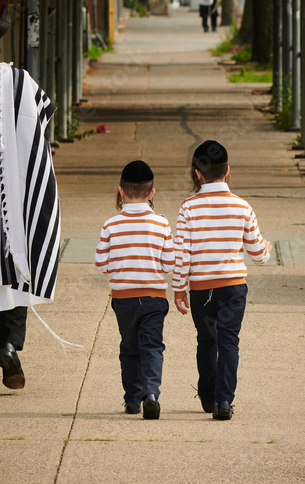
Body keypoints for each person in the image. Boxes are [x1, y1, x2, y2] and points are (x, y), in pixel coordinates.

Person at [0, 0, 61, 396]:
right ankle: (9, 345)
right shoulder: (18, 83)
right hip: (6, 198)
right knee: (12, 261)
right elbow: (39, 132)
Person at [172, 140, 272, 420]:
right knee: (229, 342)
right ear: (227, 171)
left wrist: (179, 289)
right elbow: (257, 253)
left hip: (201, 291)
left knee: (206, 341)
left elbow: (182, 254)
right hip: (233, 288)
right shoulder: (242, 207)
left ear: (197, 174)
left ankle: (207, 396)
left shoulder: (188, 208)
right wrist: (267, 247)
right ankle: (224, 401)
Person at [95, 161, 174, 419]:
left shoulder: (110, 225)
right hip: (153, 298)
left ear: (121, 191)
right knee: (152, 346)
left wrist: (118, 267)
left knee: (129, 348)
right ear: (151, 193)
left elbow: (101, 264)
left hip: (123, 299)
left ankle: (131, 400)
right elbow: (169, 263)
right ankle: (151, 393)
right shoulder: (162, 224)